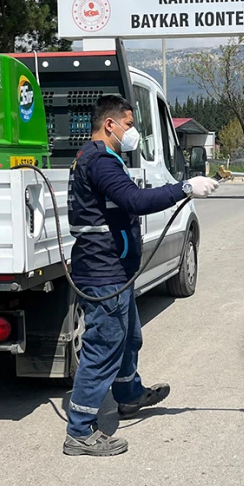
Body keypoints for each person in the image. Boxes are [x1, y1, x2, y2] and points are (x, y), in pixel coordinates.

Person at [63, 94, 219, 457]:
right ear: (110, 124)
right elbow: (133, 201)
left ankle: (130, 395)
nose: (132, 133)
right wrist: (184, 188)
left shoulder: (100, 159)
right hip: (103, 271)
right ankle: (80, 431)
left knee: (129, 337)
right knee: (103, 347)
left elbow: (126, 198)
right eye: (130, 125)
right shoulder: (100, 161)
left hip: (113, 269)